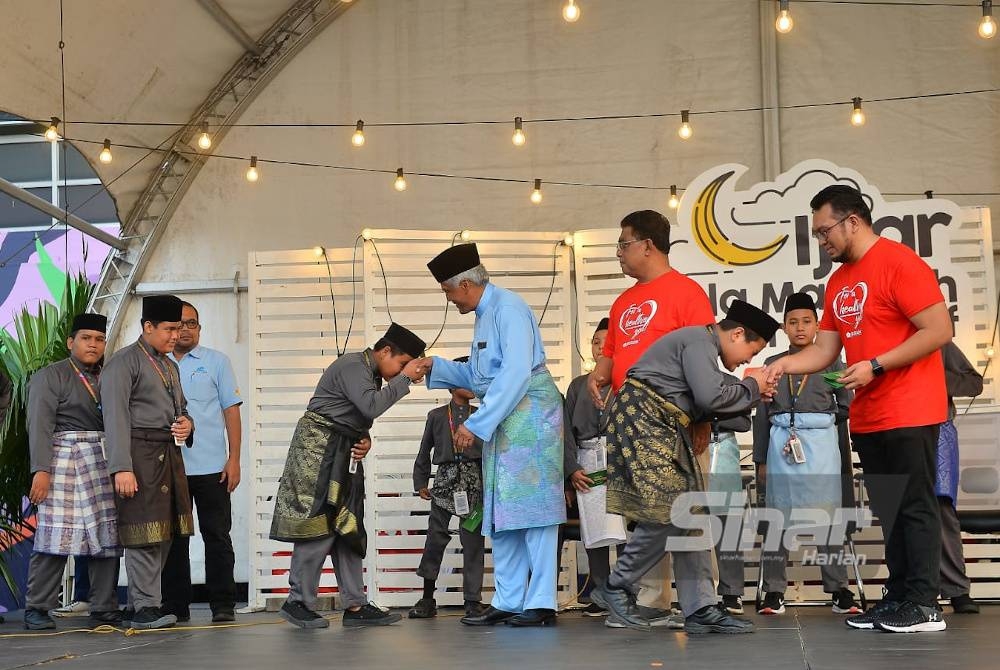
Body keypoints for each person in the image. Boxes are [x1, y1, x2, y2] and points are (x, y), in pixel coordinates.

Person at [763, 185, 953, 633]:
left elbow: (939, 328)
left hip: (910, 407)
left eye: (825, 230)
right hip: (869, 416)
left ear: (853, 221)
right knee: (890, 511)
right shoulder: (839, 282)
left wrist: (876, 365)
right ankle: (901, 597)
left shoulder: (899, 262)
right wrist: (780, 365)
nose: (822, 240)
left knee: (915, 506)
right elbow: (826, 349)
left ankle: (925, 604)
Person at [590, 300, 778, 634]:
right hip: (644, 420)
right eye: (754, 348)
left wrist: (749, 394)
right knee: (668, 510)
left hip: (661, 425)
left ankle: (700, 607)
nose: (750, 359)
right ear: (737, 334)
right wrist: (751, 387)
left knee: (690, 512)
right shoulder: (698, 341)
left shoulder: (701, 346)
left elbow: (706, 401)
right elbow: (710, 397)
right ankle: (616, 586)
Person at [425, 243, 565, 627]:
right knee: (503, 511)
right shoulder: (484, 314)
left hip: (531, 415)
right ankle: (508, 599)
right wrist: (434, 366)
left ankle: (540, 604)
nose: (449, 300)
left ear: (466, 284)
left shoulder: (509, 308)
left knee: (534, 512)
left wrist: (475, 423)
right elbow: (479, 377)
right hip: (507, 418)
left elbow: (517, 372)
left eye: (449, 292)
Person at [587, 210, 716, 621]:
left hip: (677, 423)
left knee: (687, 513)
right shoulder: (623, 301)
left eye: (623, 245)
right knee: (644, 514)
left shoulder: (687, 293)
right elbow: (612, 355)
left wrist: (704, 419)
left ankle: (702, 605)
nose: (619, 254)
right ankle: (649, 602)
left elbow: (704, 361)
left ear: (648, 245)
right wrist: (599, 374)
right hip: (634, 427)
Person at [271, 323, 427, 628]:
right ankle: (297, 601)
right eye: (402, 363)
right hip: (318, 450)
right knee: (317, 525)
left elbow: (357, 415)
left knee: (348, 527)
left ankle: (355, 605)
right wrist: (405, 379)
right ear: (385, 351)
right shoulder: (353, 365)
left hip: (342, 448)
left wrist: (364, 439)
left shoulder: (372, 373)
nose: (403, 371)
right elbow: (370, 406)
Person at [752, 292, 860, 616]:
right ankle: (774, 591)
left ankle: (839, 589)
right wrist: (761, 460)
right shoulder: (773, 366)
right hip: (780, 445)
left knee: (828, 517)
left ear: (817, 326)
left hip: (822, 446)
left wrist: (820, 429)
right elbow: (762, 414)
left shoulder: (832, 362)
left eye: (807, 321)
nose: (800, 328)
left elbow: (846, 407)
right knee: (777, 519)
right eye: (793, 322)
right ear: (784, 327)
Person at [102, 295, 195, 630]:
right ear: (148, 327)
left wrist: (188, 424)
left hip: (168, 454)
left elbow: (181, 409)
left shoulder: (170, 366)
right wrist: (121, 467)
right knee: (143, 532)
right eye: (169, 329)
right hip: (138, 456)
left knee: (165, 532)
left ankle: (150, 604)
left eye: (180, 328)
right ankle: (143, 607)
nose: (175, 335)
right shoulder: (123, 363)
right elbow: (115, 418)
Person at [23, 313, 121, 630]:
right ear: (71, 342)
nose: (93, 345)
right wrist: (40, 470)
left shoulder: (108, 376)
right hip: (61, 460)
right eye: (86, 338)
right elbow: (38, 426)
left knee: (106, 536)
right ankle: (37, 607)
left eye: (99, 339)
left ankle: (104, 606)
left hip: (101, 459)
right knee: (56, 536)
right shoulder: (49, 377)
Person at [161, 301, 242, 623]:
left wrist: (234, 459)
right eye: (179, 324)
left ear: (199, 328)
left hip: (211, 467)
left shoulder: (216, 362)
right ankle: (174, 606)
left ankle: (223, 604)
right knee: (174, 539)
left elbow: (231, 411)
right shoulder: (155, 362)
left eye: (191, 323)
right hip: (170, 467)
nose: (184, 329)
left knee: (217, 536)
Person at [408, 358, 486, 620]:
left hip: (475, 483)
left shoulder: (481, 415)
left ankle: (473, 601)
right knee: (435, 538)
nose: (472, 384)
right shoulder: (437, 416)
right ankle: (428, 597)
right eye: (466, 379)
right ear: (452, 384)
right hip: (444, 482)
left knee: (473, 542)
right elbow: (423, 450)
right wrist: (420, 482)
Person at [936, 341, 983, 614]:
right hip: (899, 433)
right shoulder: (885, 342)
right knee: (909, 513)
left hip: (938, 432)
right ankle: (921, 591)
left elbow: (973, 384)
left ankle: (956, 589)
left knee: (942, 509)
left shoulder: (940, 344)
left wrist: (932, 377)